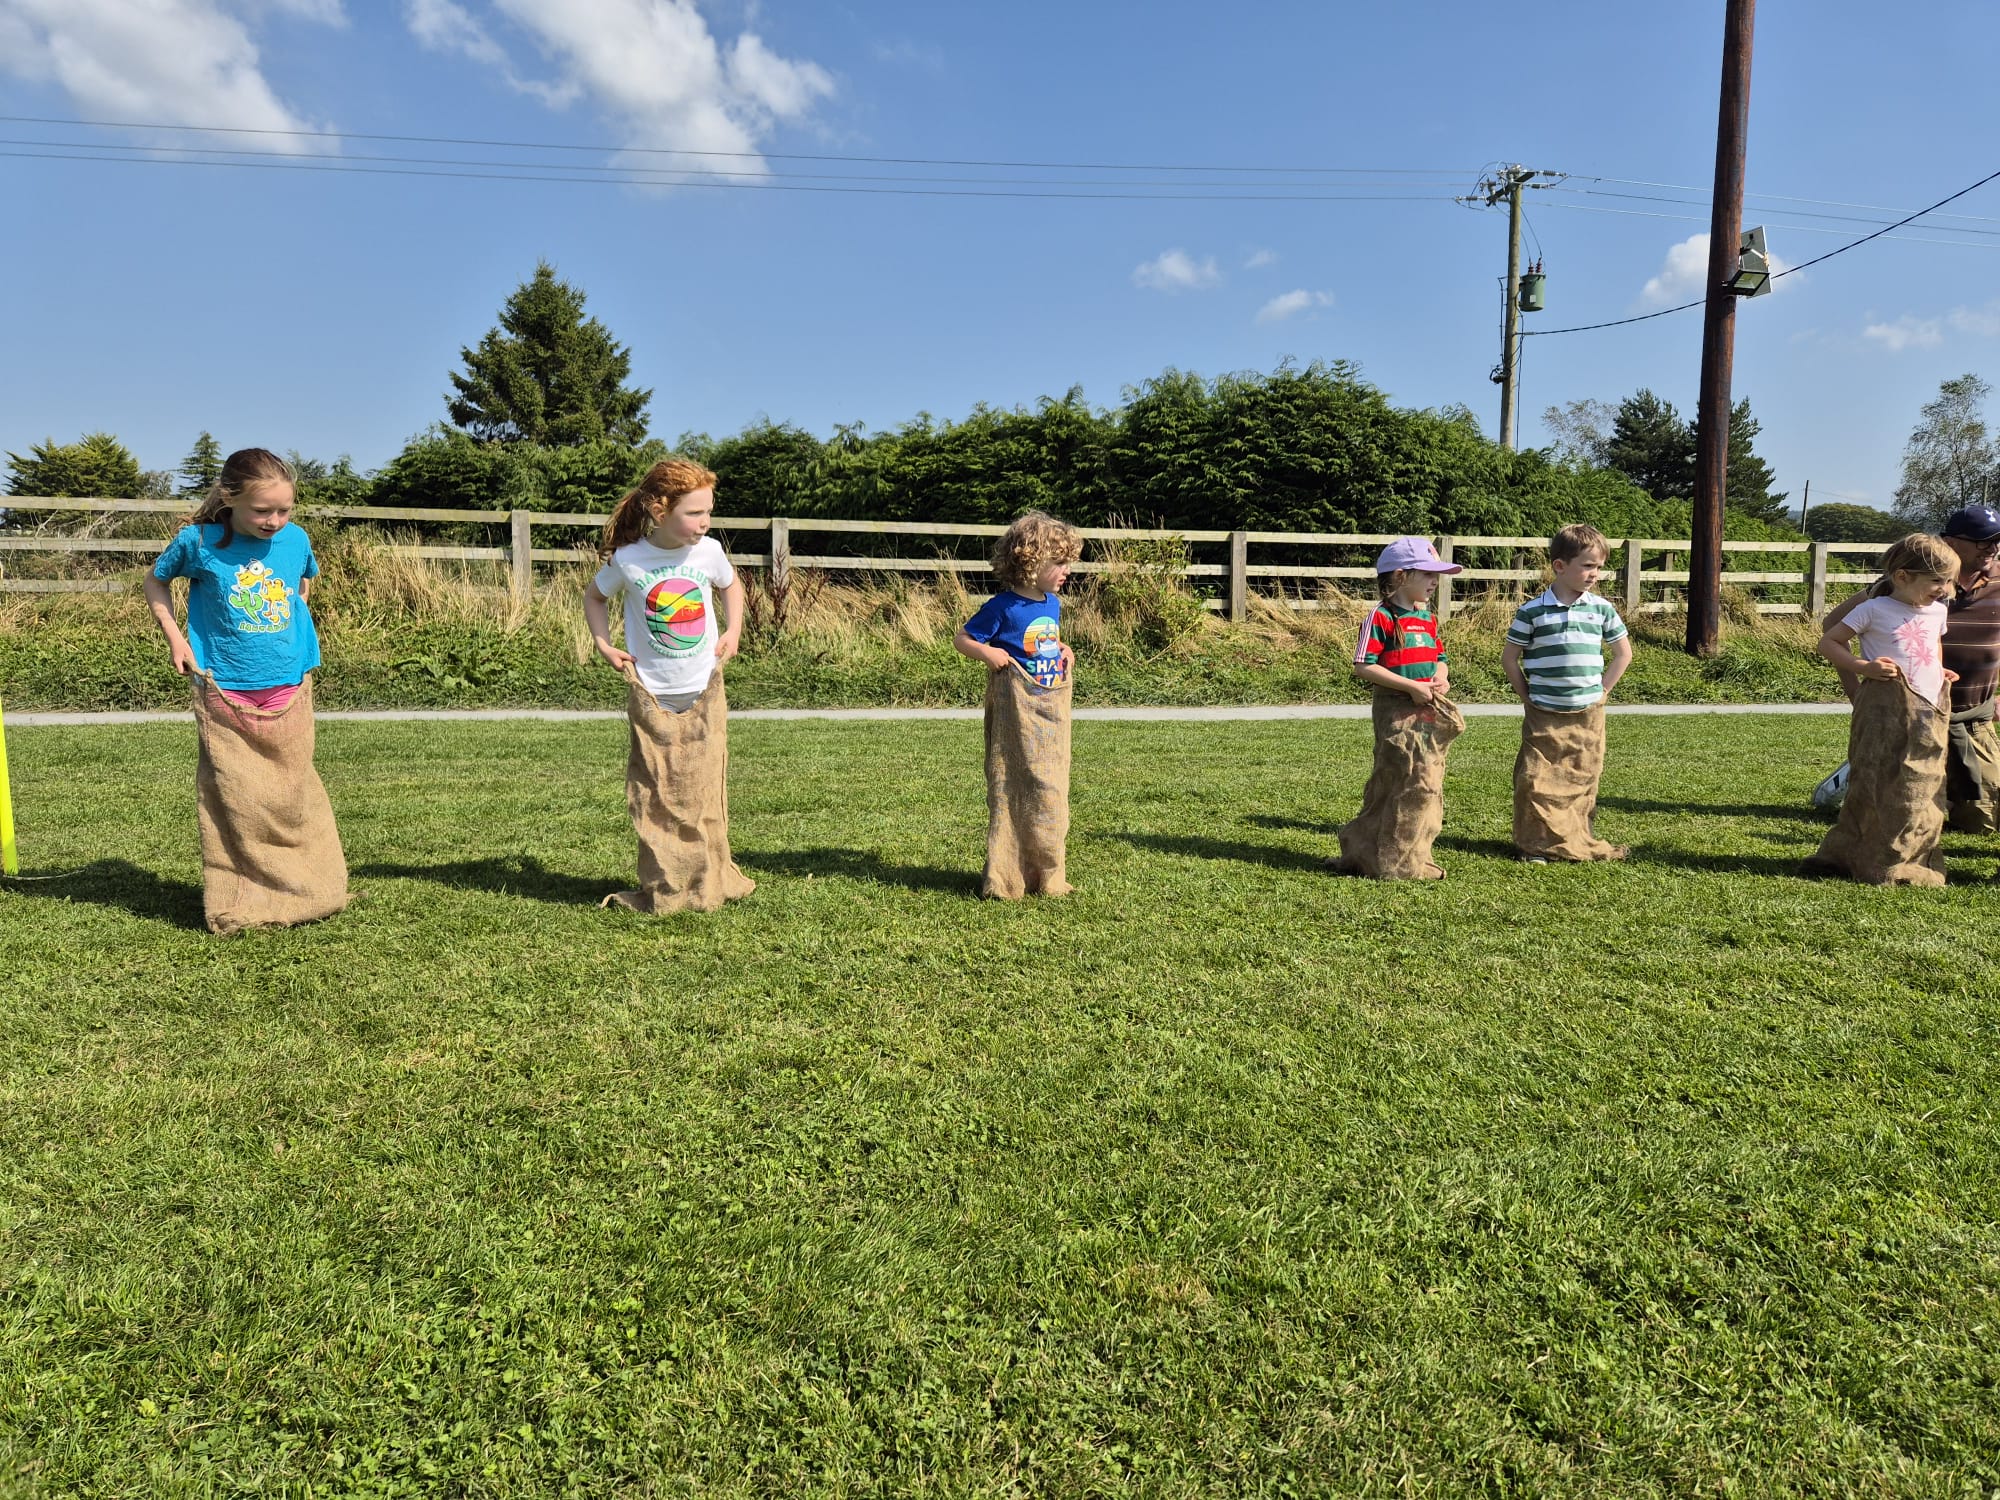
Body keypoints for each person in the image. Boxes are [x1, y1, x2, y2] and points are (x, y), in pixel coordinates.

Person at [143, 447, 350, 934]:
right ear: (230, 498)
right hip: (223, 684)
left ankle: (309, 888)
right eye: (262, 510)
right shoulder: (198, 542)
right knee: (238, 794)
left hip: (291, 683)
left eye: (284, 509)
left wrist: (297, 634)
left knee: (290, 791)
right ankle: (243, 898)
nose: (274, 520)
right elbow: (155, 584)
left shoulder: (296, 540)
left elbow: (302, 584)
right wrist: (176, 639)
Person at [586, 459, 755, 913]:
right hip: (652, 692)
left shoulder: (709, 552)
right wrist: (604, 645)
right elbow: (595, 596)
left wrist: (733, 631)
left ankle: (708, 879)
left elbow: (731, 587)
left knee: (705, 786)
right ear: (659, 511)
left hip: (704, 688)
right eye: (694, 513)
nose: (704, 523)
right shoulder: (630, 560)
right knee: (657, 789)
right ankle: (665, 886)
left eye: (708, 512)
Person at [1816, 504, 2000, 828]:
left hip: (1972, 719)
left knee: (1979, 821)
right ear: (1950, 542)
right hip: (1902, 712)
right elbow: (1831, 629)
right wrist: (1857, 688)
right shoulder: (1899, 585)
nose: (1993, 547)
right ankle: (1858, 776)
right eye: (1982, 540)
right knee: (1901, 795)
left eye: (1997, 540)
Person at [1802, 533, 1959, 885]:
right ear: (1903, 577)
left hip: (1927, 709)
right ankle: (1865, 854)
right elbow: (1829, 641)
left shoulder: (1937, 610)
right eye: (1937, 580)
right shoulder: (1874, 610)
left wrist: (1938, 670)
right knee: (1879, 778)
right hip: (1885, 711)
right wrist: (1863, 668)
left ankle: (1912, 857)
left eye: (1949, 580)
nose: (1945, 588)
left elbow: (1933, 643)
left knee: (1921, 779)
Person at [954, 510, 1082, 898]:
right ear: (1030, 561)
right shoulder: (1003, 607)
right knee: (1012, 785)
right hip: (1016, 713)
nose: (1067, 571)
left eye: (1068, 563)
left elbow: (1044, 643)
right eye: (1059, 562)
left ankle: (1047, 875)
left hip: (1049, 712)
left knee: (1051, 790)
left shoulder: (1052, 604)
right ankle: (1006, 877)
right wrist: (987, 654)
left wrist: (1064, 648)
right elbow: (963, 639)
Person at [1333, 537, 1466, 880]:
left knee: (1425, 779)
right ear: (1401, 576)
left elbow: (1440, 658)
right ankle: (1388, 859)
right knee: (1402, 778)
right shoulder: (1382, 617)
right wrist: (1410, 686)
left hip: (1427, 709)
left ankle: (1409, 857)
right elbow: (1364, 665)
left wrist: (1440, 678)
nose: (1435, 581)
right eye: (1428, 574)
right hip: (1395, 709)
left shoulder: (1426, 618)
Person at [1501, 523, 1634, 862]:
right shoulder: (1532, 611)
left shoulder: (1601, 610)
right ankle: (1536, 845)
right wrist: (1526, 695)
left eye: (1599, 567)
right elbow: (1510, 658)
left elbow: (1623, 654)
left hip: (1588, 713)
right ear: (1560, 567)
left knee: (1581, 777)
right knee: (1536, 780)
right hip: (1543, 713)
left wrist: (1603, 691)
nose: (1595, 574)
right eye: (1587, 566)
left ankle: (1575, 838)